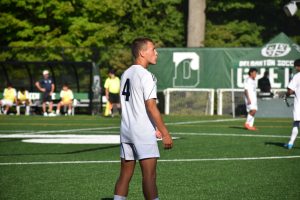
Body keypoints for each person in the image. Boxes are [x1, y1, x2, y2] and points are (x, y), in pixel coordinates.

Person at [113, 37, 173, 200]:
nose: (156, 53)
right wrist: (165, 132)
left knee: (125, 175)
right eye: (153, 49)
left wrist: (154, 127)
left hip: (126, 130)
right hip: (142, 132)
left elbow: (134, 103)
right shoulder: (146, 76)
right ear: (142, 53)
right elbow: (150, 106)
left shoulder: (126, 73)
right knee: (149, 177)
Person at [284, 59, 300, 149]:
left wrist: (285, 95)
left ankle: (290, 144)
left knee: (297, 123)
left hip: (299, 104)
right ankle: (290, 143)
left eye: (295, 66)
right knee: (296, 123)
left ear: (297, 66)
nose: (295, 68)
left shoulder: (297, 76)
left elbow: (290, 91)